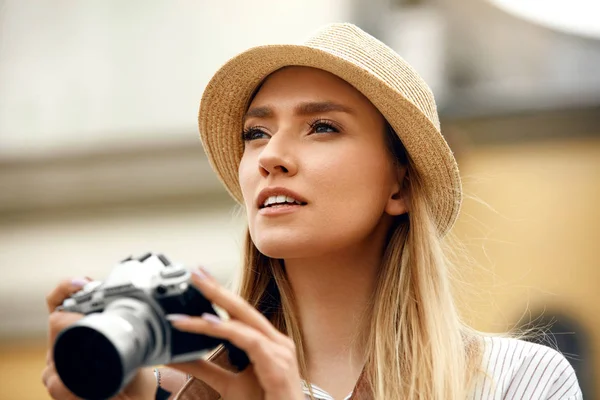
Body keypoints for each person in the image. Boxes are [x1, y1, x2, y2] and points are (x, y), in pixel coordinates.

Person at [42, 23, 582, 400]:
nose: (270, 156)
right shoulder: (177, 390)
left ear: (399, 183)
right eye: (256, 133)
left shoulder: (516, 382)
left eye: (322, 126)